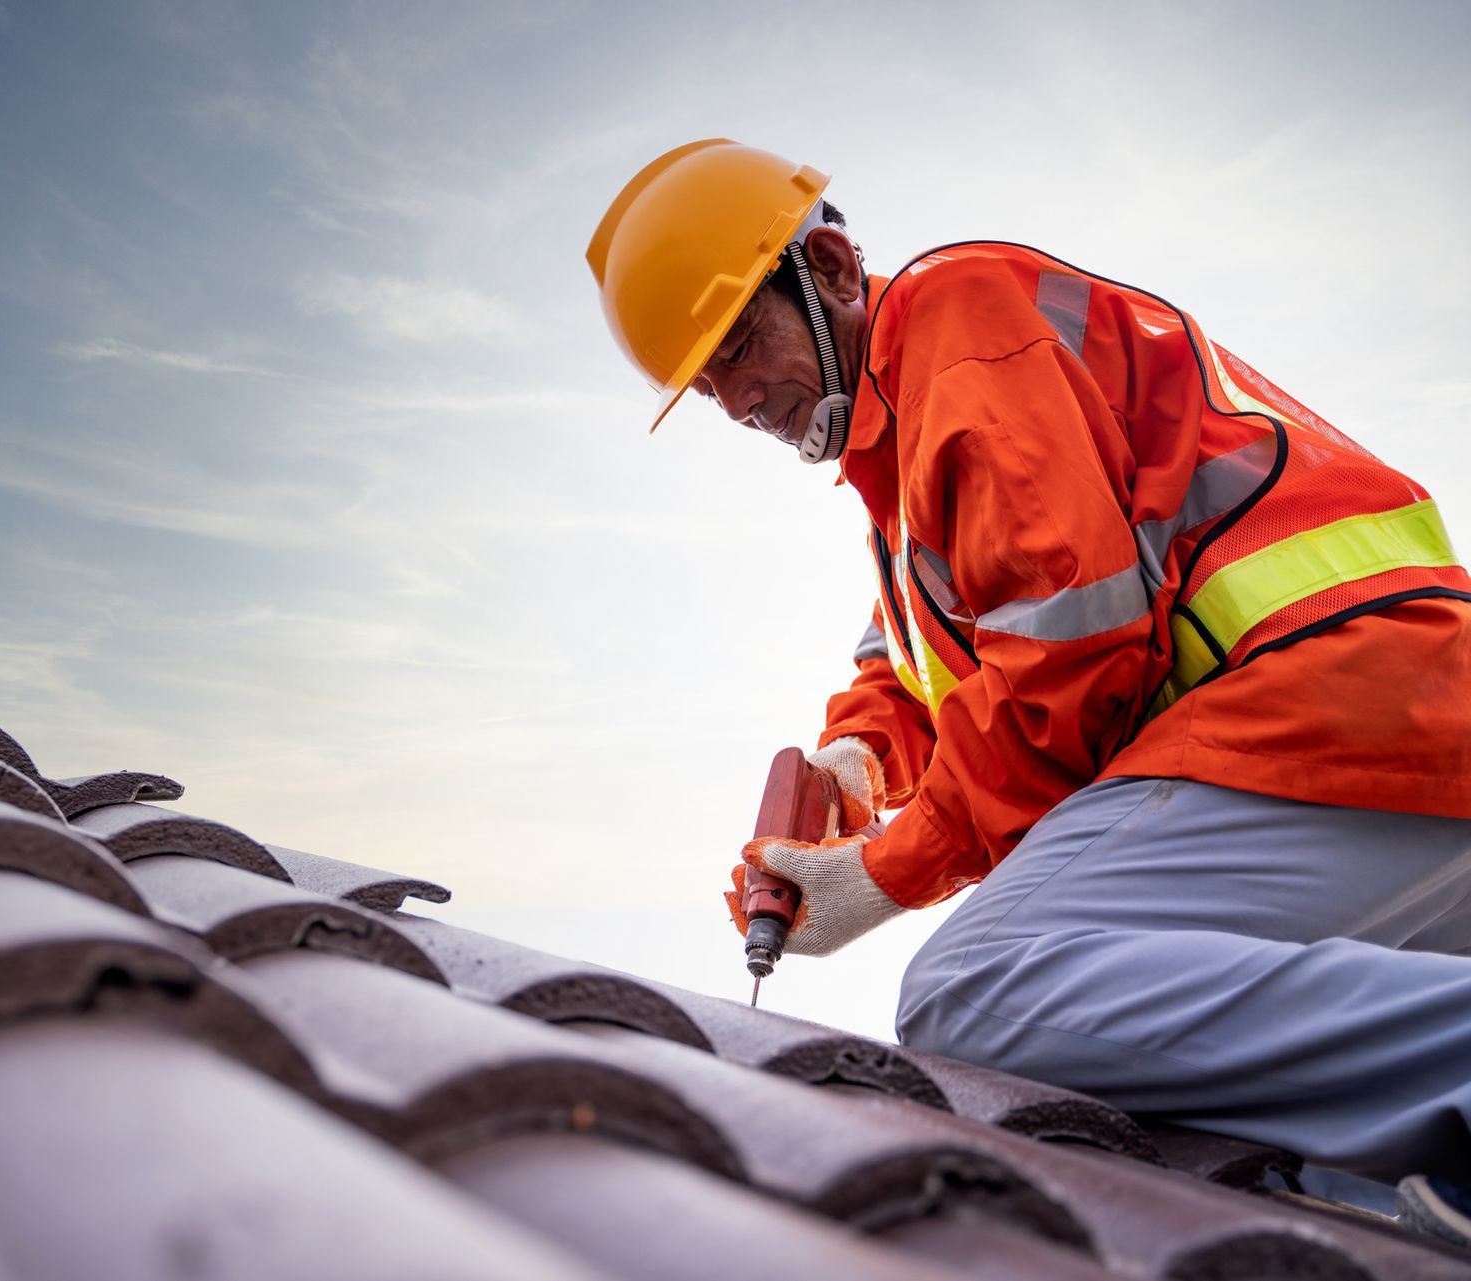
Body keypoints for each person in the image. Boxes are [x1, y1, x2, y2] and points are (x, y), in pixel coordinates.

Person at [586, 139, 1471, 1232]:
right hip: (1396, 740)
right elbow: (916, 662)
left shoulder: (960, 335)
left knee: (976, 988)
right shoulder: (909, 471)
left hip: (1331, 717)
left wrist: (890, 870)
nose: (736, 399)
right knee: (1235, 1108)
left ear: (826, 266)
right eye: (706, 381)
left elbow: (1071, 660)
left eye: (738, 344)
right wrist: (858, 760)